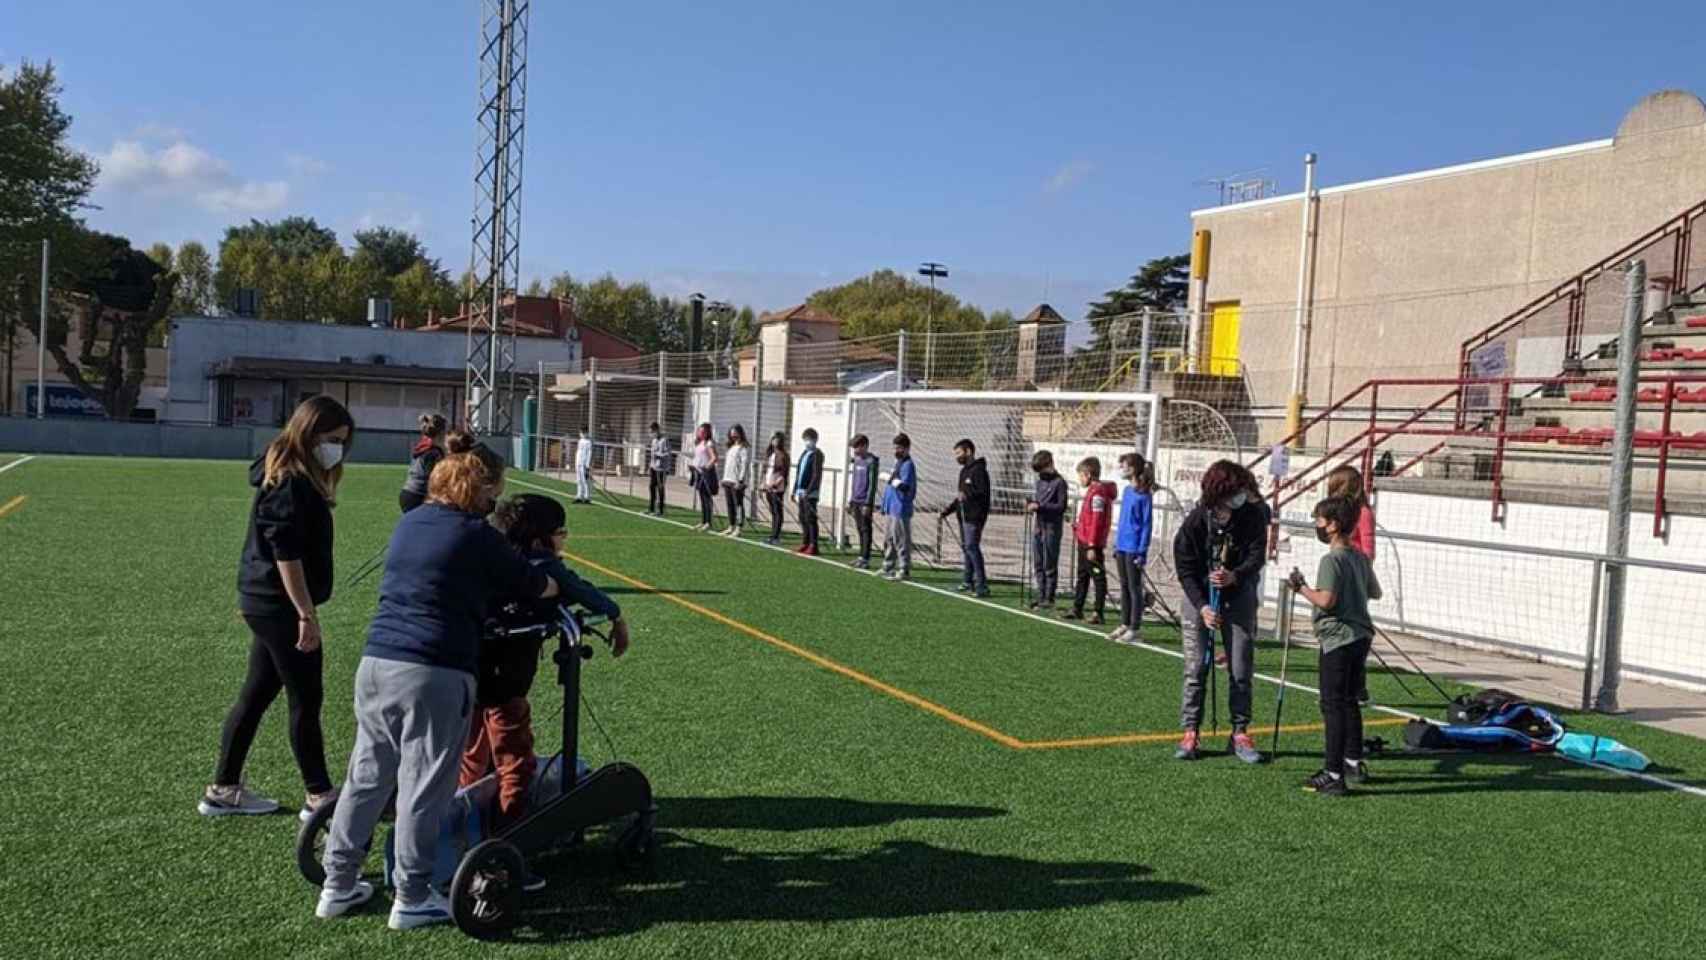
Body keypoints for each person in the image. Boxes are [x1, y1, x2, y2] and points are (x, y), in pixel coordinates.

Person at [317, 435, 564, 928]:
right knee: (424, 786)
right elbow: (533, 583)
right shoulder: (475, 534)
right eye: (492, 490)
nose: (495, 499)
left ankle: (337, 882)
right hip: (434, 669)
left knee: (366, 777)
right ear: (476, 490)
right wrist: (554, 583)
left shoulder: (410, 524)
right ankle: (411, 895)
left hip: (376, 664)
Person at [203, 395, 355, 820]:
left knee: (255, 695)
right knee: (306, 699)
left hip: (266, 602)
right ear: (308, 434)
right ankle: (319, 794)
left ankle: (224, 788)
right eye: (330, 439)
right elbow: (285, 554)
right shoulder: (290, 480)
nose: (336, 448)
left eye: (342, 441)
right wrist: (305, 614)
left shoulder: (289, 473)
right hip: (278, 606)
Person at [462, 494, 629, 842]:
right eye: (561, 532)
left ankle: (462, 820)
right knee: (515, 764)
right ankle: (510, 839)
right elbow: (583, 592)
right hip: (508, 684)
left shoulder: (491, 558)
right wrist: (616, 616)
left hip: (470, 677)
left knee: (471, 757)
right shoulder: (541, 565)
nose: (563, 538)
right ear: (540, 538)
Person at [1173, 459, 1269, 764]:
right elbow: (1185, 568)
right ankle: (1191, 731)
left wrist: (1235, 575)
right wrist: (1201, 607)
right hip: (1199, 600)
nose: (1241, 496)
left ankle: (1240, 732)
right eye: (1235, 491)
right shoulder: (1195, 522)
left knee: (1240, 669)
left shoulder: (1252, 515)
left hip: (1239, 598)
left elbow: (1257, 555)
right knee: (1195, 669)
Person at [1289, 495, 1383, 796]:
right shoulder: (1359, 557)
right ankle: (1353, 760)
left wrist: (1302, 588)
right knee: (1350, 700)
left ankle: (1333, 772)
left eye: (1320, 520)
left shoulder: (1332, 560)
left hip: (1339, 638)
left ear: (1333, 525)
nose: (1318, 525)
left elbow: (1327, 600)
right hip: (1360, 636)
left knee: (1333, 705)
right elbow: (1375, 591)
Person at [1063, 457, 1115, 624]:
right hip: (1083, 540)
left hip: (1092, 544)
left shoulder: (1098, 493)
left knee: (1098, 577)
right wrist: (1078, 527)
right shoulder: (1092, 491)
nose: (1080, 480)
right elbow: (1088, 519)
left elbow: (1097, 521)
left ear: (1088, 474)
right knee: (1082, 575)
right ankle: (1077, 607)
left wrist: (1092, 544)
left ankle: (1098, 612)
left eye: (1081, 476)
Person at [1110, 452, 1154, 644]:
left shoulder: (1144, 495)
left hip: (1134, 547)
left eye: (1125, 465)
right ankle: (1125, 623)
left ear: (1134, 468)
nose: (1122, 469)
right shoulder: (1127, 491)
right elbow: (1123, 521)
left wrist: (1141, 551)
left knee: (1135, 588)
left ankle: (1135, 628)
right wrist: (1116, 543)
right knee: (1124, 586)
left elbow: (1146, 525)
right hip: (1122, 545)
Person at [939, 438, 990, 597]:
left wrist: (967, 495)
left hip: (974, 517)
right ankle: (967, 581)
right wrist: (947, 511)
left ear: (968, 451)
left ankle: (982, 584)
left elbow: (982, 493)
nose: (957, 457)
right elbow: (960, 496)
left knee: (972, 548)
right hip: (963, 516)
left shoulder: (979, 471)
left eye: (959, 453)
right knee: (967, 549)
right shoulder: (964, 471)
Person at [1026, 450, 1067, 610]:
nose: (1040, 474)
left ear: (1050, 464)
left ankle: (1049, 597)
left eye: (1042, 469)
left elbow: (1061, 507)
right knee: (1038, 563)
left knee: (1049, 563)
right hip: (1038, 527)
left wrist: (1041, 506)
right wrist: (1031, 504)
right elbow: (1038, 501)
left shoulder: (1059, 482)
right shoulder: (1040, 482)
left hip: (1052, 528)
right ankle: (1041, 594)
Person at [881, 433, 917, 581]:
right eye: (895, 447)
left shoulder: (908, 465)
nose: (896, 450)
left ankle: (904, 569)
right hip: (891, 507)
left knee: (901, 540)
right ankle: (888, 566)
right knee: (889, 538)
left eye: (899, 448)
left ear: (907, 448)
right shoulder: (898, 463)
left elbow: (905, 487)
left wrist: (890, 479)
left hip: (901, 508)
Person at [399, 413, 446, 513]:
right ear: (441, 432)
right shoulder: (433, 452)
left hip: (408, 493)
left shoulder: (423, 446)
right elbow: (434, 479)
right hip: (418, 496)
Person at [1326, 464, 1376, 560]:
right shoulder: (1339, 511)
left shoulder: (1363, 513)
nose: (1332, 494)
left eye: (1334, 489)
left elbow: (1368, 551)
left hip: (1354, 567)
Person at [846, 434, 880, 569]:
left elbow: (872, 484)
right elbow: (854, 481)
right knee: (859, 529)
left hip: (864, 502)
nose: (855, 450)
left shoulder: (871, 461)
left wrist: (868, 503)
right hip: (855, 500)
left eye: (857, 447)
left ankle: (866, 558)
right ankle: (861, 556)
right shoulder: (857, 460)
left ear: (864, 446)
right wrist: (851, 499)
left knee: (866, 529)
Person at [793, 427, 824, 555]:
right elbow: (799, 472)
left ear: (815, 440)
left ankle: (813, 544)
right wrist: (795, 490)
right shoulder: (804, 453)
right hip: (801, 491)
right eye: (805, 439)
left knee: (811, 518)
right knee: (802, 517)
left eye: (809, 439)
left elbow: (816, 474)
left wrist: (809, 489)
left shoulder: (817, 454)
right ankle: (805, 542)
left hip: (810, 492)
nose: (807, 442)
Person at [721, 425, 751, 536]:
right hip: (727, 479)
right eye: (732, 433)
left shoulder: (743, 448)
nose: (733, 435)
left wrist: (741, 480)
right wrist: (724, 478)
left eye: (735, 433)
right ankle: (731, 525)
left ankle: (739, 527)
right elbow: (728, 464)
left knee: (738, 504)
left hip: (737, 481)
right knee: (730, 505)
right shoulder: (731, 447)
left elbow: (744, 465)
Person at [762, 431, 790, 546]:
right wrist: (764, 483)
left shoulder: (783, 455)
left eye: (777, 439)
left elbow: (784, 473)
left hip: (777, 487)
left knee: (778, 511)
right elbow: (766, 471)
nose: (775, 441)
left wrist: (775, 484)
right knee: (773, 511)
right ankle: (772, 534)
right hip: (768, 486)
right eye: (773, 439)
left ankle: (776, 536)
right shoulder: (770, 454)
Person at [690, 423, 719, 531]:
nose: (701, 433)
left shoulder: (709, 443)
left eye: (703, 431)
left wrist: (706, 467)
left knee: (707, 498)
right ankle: (703, 521)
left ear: (707, 433)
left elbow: (714, 458)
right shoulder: (699, 443)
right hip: (698, 472)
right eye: (700, 431)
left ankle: (708, 522)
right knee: (702, 498)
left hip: (707, 473)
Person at [646, 422, 670, 516]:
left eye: (652, 431)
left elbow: (668, 454)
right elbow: (652, 454)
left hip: (662, 469)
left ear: (657, 430)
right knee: (651, 486)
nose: (651, 434)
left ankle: (661, 510)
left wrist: (659, 455)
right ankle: (651, 508)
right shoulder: (654, 441)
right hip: (653, 467)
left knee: (660, 488)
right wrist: (650, 466)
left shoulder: (664, 440)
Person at [573, 431, 594, 504]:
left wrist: (587, 464)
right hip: (578, 463)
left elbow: (589, 453)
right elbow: (578, 452)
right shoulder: (580, 441)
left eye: (582, 433)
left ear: (586, 433)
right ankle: (579, 496)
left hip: (584, 464)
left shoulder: (589, 442)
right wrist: (576, 462)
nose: (580, 434)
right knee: (579, 480)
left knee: (585, 480)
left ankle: (587, 497)